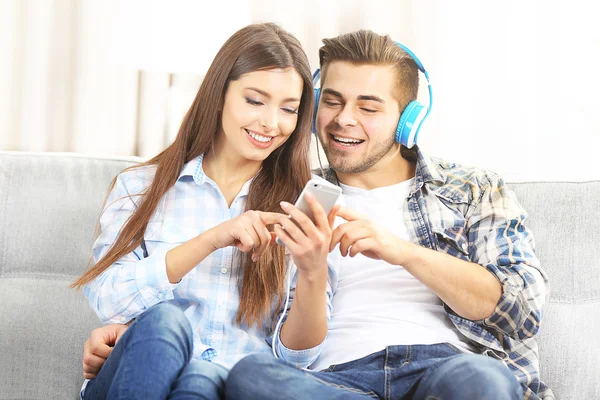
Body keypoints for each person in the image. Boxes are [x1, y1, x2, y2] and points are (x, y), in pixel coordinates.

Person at [224, 30, 552, 400]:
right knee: (250, 377)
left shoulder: (471, 188)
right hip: (336, 381)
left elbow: (521, 311)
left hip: (447, 371)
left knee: (484, 380)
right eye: (332, 102)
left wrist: (403, 252)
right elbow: (283, 343)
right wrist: (310, 268)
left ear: (408, 118)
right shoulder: (288, 197)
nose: (344, 119)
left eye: (368, 107)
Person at [72, 23, 341, 400]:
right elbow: (108, 300)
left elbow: (298, 359)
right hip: (142, 373)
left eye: (288, 109)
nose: (270, 122)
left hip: (225, 385)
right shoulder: (140, 188)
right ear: (219, 95)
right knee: (167, 321)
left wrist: (313, 272)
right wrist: (210, 240)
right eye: (254, 100)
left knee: (201, 380)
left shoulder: (299, 210)